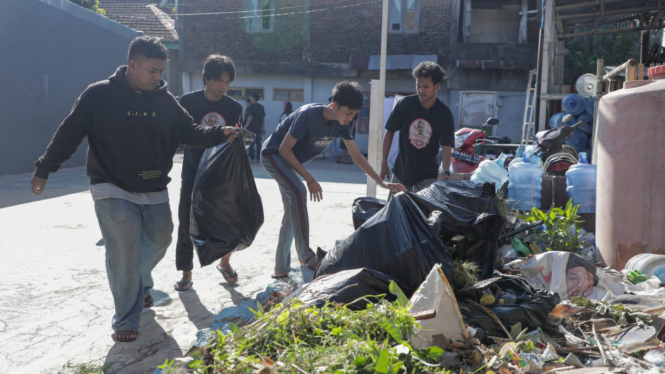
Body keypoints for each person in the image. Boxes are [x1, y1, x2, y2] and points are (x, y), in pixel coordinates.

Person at [30, 36, 238, 343]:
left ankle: (140, 282)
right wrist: (45, 167)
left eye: (161, 72)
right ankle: (126, 318)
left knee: (160, 239)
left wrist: (221, 132)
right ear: (133, 66)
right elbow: (70, 132)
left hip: (153, 187)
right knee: (124, 251)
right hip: (110, 185)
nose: (158, 78)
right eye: (152, 71)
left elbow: (189, 131)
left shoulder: (165, 101)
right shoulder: (98, 95)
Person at [260, 81, 406, 279]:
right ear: (335, 106)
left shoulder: (341, 124)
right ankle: (305, 255)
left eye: (354, 114)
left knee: (293, 208)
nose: (350, 118)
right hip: (273, 156)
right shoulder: (308, 115)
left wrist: (382, 182)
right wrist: (310, 180)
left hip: (289, 161)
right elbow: (284, 149)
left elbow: (356, 155)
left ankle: (280, 269)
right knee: (300, 192)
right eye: (348, 113)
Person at [174, 55, 243, 292]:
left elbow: (234, 142)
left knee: (228, 221)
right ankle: (186, 273)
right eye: (218, 80)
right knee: (186, 221)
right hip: (193, 171)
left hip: (220, 174)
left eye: (227, 81)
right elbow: (180, 134)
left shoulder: (234, 108)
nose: (223, 86)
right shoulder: (187, 102)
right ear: (206, 78)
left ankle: (225, 262)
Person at [380, 61, 455, 192]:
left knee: (423, 212)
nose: (421, 91)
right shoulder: (405, 105)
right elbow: (389, 131)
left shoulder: (444, 113)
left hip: (428, 176)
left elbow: (447, 145)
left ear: (437, 86)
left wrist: (446, 172)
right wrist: (384, 163)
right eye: (418, 86)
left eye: (426, 87)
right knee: (395, 211)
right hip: (401, 173)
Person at [245, 92, 266, 163]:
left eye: (251, 98)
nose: (250, 99)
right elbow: (263, 118)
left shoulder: (251, 107)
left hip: (251, 128)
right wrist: (263, 128)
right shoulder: (261, 107)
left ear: (253, 98)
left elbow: (250, 117)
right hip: (258, 128)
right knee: (258, 144)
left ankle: (252, 159)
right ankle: (258, 159)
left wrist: (246, 126)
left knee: (251, 143)